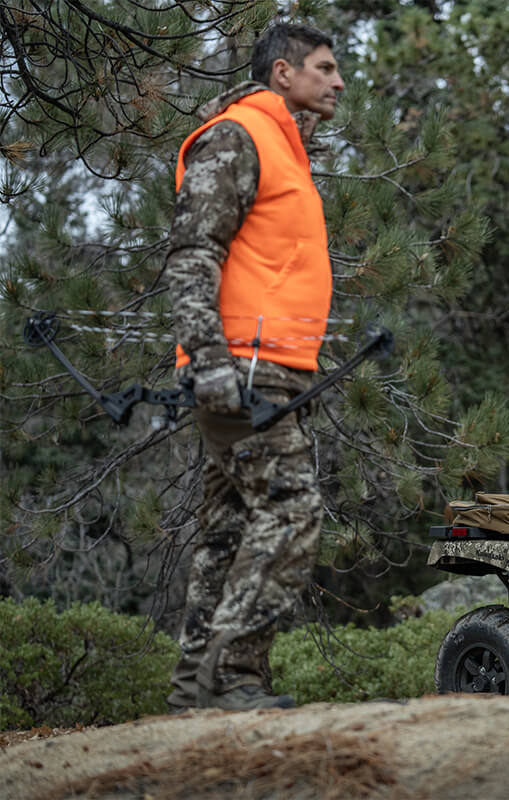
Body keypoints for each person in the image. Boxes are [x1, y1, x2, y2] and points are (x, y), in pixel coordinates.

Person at [164, 23, 344, 712]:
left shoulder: (285, 147)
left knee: (230, 528)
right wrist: (209, 360)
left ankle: (192, 695)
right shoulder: (239, 137)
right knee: (292, 508)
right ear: (282, 72)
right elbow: (191, 253)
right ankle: (235, 678)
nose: (336, 82)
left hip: (272, 371)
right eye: (324, 68)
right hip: (241, 371)